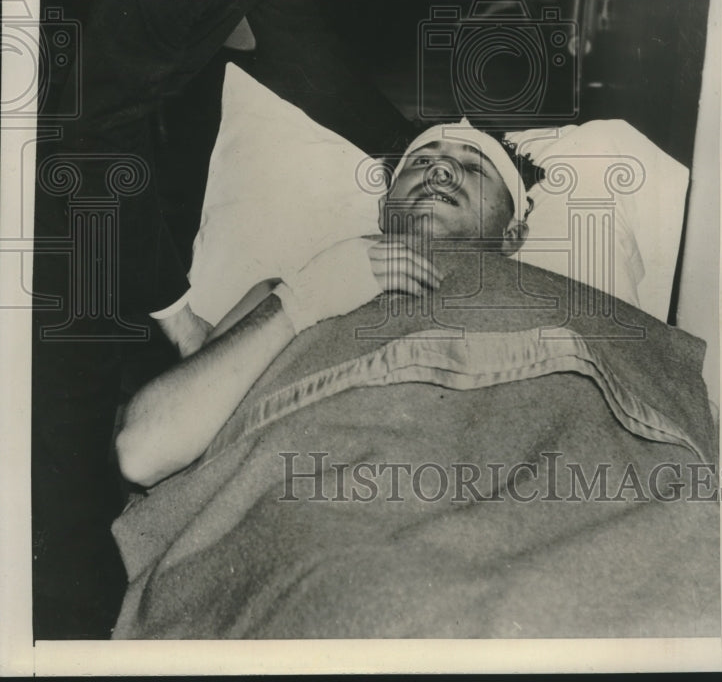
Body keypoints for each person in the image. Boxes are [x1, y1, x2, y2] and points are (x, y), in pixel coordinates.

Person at [32, 0, 526, 638]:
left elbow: (301, 52)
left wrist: (419, 147)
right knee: (66, 523)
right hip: (63, 134)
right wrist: (172, 312)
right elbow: (96, 152)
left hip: (73, 102)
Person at [115, 121, 532, 489]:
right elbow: (144, 450)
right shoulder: (288, 295)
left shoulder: (553, 311)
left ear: (514, 235)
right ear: (385, 209)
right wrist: (304, 299)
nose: (442, 171)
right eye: (421, 163)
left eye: (475, 167)